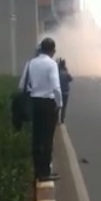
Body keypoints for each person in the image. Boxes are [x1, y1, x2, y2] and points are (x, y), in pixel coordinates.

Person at [18, 37, 63, 181]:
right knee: (47, 138)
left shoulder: (31, 63)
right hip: (48, 104)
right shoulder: (51, 64)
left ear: (41, 49)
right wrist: (59, 104)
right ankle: (45, 172)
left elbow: (21, 85)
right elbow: (56, 87)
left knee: (37, 138)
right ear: (52, 51)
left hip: (34, 103)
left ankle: (37, 171)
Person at [58, 59, 74, 124]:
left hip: (58, 92)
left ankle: (56, 119)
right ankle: (62, 119)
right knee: (64, 106)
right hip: (65, 92)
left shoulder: (58, 72)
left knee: (58, 105)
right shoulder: (66, 73)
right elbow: (71, 79)